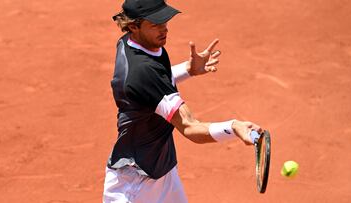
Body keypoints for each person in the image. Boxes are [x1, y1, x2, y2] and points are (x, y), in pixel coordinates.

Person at [103, 0, 263, 202]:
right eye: (155, 24)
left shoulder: (136, 43)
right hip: (134, 183)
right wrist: (233, 127)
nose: (164, 29)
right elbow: (190, 128)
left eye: (164, 22)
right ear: (134, 26)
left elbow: (154, 84)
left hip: (161, 168)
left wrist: (188, 69)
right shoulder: (142, 71)